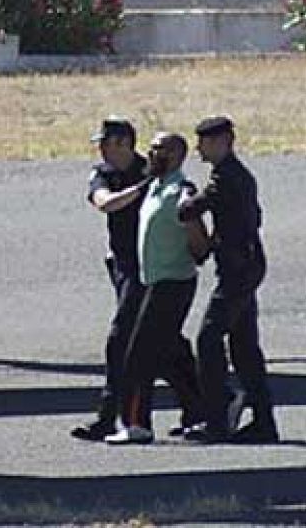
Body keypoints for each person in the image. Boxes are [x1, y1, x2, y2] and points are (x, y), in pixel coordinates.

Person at [72, 118, 202, 441]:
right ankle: (205, 405)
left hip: (153, 267)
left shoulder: (155, 172)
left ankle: (111, 417)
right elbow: (105, 202)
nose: (101, 149)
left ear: (125, 143)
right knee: (164, 343)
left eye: (107, 143)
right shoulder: (106, 174)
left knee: (125, 340)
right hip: (125, 266)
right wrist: (141, 189)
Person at [107, 132, 210, 445]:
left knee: (139, 355)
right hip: (153, 280)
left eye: (161, 150)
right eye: (151, 149)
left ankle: (137, 424)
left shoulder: (181, 189)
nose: (152, 155)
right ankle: (207, 409)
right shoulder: (153, 185)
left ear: (178, 155)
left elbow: (196, 234)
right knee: (168, 352)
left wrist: (198, 246)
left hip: (172, 282)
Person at [181, 116, 277, 443]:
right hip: (243, 265)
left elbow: (198, 206)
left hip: (239, 269)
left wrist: (184, 203)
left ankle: (218, 418)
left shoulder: (228, 177)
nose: (199, 149)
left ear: (223, 141)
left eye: (205, 142)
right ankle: (263, 422)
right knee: (244, 346)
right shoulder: (233, 175)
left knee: (208, 340)